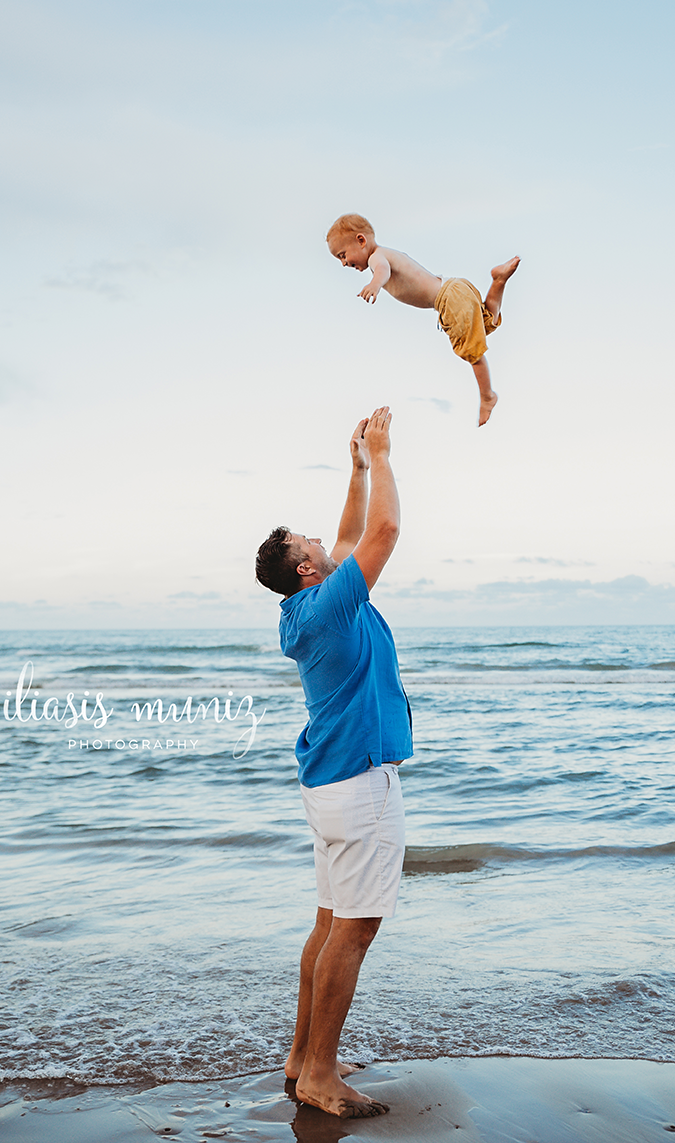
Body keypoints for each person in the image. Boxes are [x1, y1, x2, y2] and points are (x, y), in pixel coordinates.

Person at [255, 407, 412, 1120]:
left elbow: (348, 534)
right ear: (307, 567)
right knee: (355, 928)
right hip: (360, 782)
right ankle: (319, 1074)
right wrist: (382, 456)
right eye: (308, 539)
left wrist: (352, 467)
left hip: (330, 784)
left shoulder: (304, 606)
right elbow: (381, 533)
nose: (321, 537)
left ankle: (302, 1057)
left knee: (327, 923)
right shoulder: (328, 606)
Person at [326, 212, 520, 427]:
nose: (343, 263)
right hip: (455, 287)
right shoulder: (389, 252)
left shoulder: (376, 258)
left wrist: (375, 284)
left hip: (448, 299)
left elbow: (383, 270)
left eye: (343, 255)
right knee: (484, 325)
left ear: (361, 240)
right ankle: (498, 281)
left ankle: (487, 396)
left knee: (471, 351)